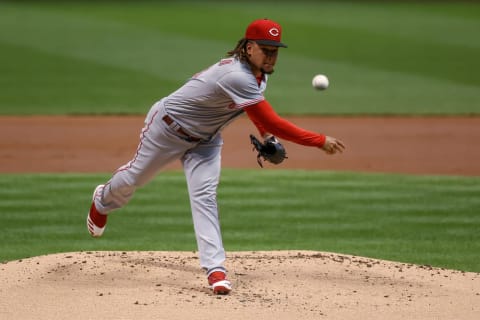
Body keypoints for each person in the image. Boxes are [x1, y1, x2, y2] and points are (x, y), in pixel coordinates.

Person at [86, 18, 346, 295]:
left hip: (206, 141)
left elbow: (256, 114)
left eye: (275, 50)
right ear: (248, 48)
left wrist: (267, 138)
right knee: (135, 178)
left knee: (205, 197)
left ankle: (216, 270)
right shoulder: (236, 75)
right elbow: (274, 120)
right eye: (265, 49)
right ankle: (103, 200)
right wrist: (318, 141)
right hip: (167, 129)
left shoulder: (259, 76)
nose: (271, 55)